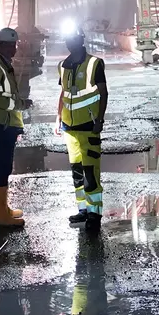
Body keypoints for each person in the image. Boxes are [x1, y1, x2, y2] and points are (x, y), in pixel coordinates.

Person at [56, 29, 108, 232]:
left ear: (80, 41)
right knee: (77, 171)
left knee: (90, 172)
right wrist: (58, 118)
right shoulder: (63, 66)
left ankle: (95, 213)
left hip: (88, 126)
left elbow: (103, 93)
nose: (70, 43)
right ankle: (83, 210)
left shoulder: (94, 64)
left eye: (73, 40)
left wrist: (100, 120)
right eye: (68, 39)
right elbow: (63, 93)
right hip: (70, 127)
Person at [0, 27, 31, 228]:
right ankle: (0, 215)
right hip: (0, 124)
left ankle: (3, 208)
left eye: (15, 44)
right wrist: (19, 104)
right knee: (3, 168)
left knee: (5, 167)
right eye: (11, 45)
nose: (14, 48)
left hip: (6, 124)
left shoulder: (4, 65)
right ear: (0, 45)